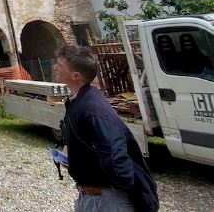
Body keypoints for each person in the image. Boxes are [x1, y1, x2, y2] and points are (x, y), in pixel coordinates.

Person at [54, 45, 158, 212]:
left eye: (59, 64)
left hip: (107, 199)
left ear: (76, 76)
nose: (55, 67)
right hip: (91, 196)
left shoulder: (93, 108)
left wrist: (122, 192)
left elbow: (115, 156)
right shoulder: (77, 100)